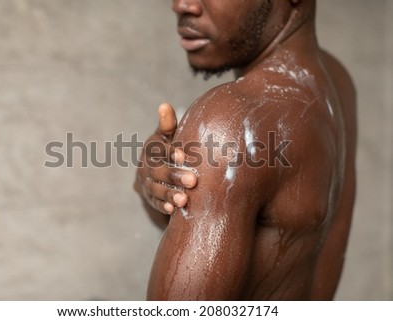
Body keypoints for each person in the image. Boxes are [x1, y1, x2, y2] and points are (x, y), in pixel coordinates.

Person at [134, 0, 357, 300]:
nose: (181, 5)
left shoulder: (232, 120)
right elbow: (276, 229)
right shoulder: (337, 81)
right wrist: (154, 185)